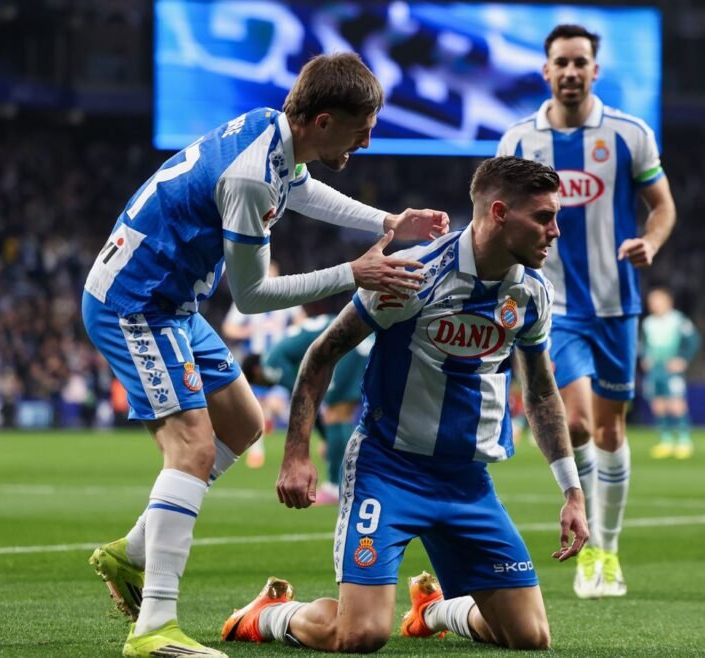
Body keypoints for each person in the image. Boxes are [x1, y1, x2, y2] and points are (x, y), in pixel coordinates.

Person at [81, 52, 449, 658]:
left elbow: (302, 191)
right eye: (362, 129)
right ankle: (154, 628)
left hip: (170, 301)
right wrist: (355, 274)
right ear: (323, 120)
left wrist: (386, 221)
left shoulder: (269, 131)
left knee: (244, 424)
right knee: (193, 447)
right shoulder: (250, 176)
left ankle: (134, 553)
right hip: (135, 303)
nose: (368, 140)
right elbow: (252, 297)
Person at [221, 156, 588, 653]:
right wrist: (296, 454)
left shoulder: (531, 293)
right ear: (499, 213)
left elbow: (542, 392)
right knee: (360, 634)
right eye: (544, 217)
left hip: (466, 482)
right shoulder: (414, 274)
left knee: (529, 637)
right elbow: (322, 353)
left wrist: (571, 490)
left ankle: (433, 610)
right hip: (389, 470)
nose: (555, 231)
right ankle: (269, 615)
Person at [496, 23, 677, 599]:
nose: (571, 72)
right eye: (561, 62)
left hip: (617, 305)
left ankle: (608, 550)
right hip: (552, 307)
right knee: (573, 423)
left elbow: (663, 206)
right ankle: (587, 540)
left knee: (610, 428)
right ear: (546, 71)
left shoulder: (629, 134)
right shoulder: (518, 142)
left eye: (580, 62)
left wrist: (652, 241)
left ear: (594, 70)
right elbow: (494, 218)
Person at [244, 313, 375, 505]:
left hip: (344, 341)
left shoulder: (269, 364)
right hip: (355, 337)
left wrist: (325, 438)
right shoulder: (280, 349)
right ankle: (350, 482)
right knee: (341, 414)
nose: (267, 385)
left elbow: (302, 397)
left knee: (336, 414)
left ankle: (333, 486)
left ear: (256, 371)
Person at [222, 261, 306, 468]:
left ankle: (302, 442)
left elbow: (302, 322)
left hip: (279, 361)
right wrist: (248, 332)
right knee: (256, 407)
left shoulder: (286, 297)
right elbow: (229, 328)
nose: (268, 277)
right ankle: (257, 451)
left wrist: (290, 337)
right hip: (255, 362)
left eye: (272, 273)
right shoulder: (247, 297)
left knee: (278, 405)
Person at [641, 287, 700, 460]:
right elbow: (643, 344)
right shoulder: (648, 323)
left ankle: (684, 441)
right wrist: (645, 357)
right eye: (651, 301)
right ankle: (666, 441)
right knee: (658, 404)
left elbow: (694, 340)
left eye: (657, 300)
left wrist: (683, 359)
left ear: (668, 301)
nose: (653, 304)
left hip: (671, 368)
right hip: (655, 370)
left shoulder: (678, 320)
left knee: (676, 404)